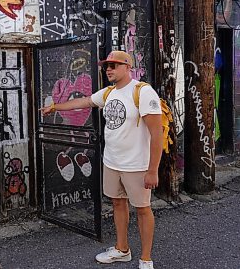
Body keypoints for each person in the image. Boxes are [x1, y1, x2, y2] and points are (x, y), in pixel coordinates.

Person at [40, 51, 163, 269]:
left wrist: (153, 170)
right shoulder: (108, 93)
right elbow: (85, 101)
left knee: (143, 208)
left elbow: (156, 134)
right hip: (112, 162)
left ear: (127, 67)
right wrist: (55, 107)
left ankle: (146, 259)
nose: (108, 69)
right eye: (107, 66)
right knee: (117, 203)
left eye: (114, 65)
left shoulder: (142, 92)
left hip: (136, 165)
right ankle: (122, 249)